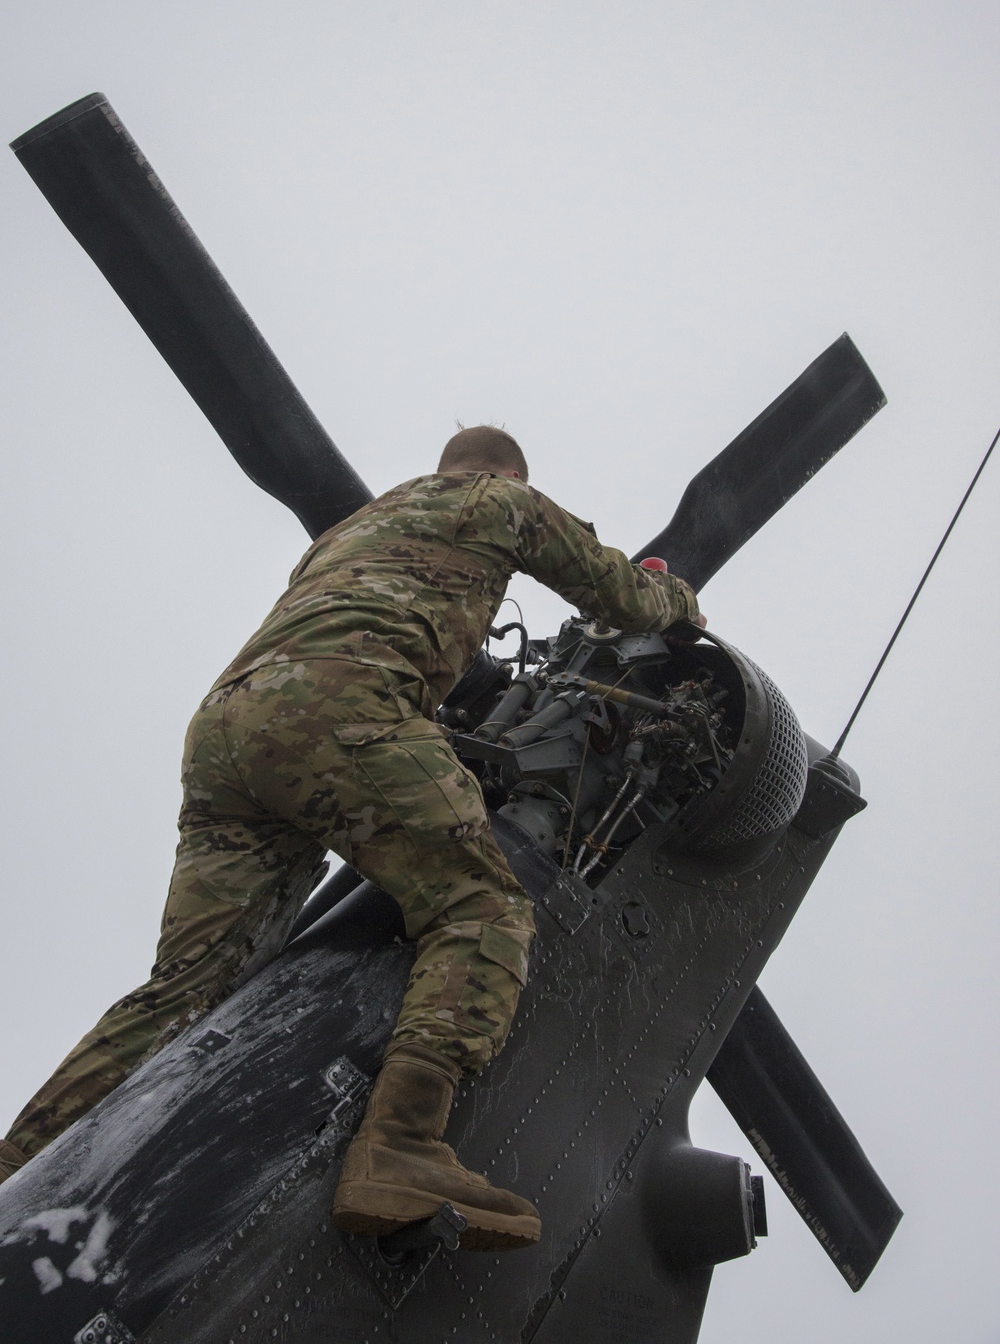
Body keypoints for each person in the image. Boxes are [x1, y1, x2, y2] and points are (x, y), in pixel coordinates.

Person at [0, 426, 702, 1248]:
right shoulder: (502, 502)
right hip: (344, 708)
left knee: (184, 992)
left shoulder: (355, 530)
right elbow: (626, 599)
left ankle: (19, 1164)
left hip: (230, 729)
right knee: (482, 907)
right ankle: (401, 1147)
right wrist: (678, 602)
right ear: (508, 473)